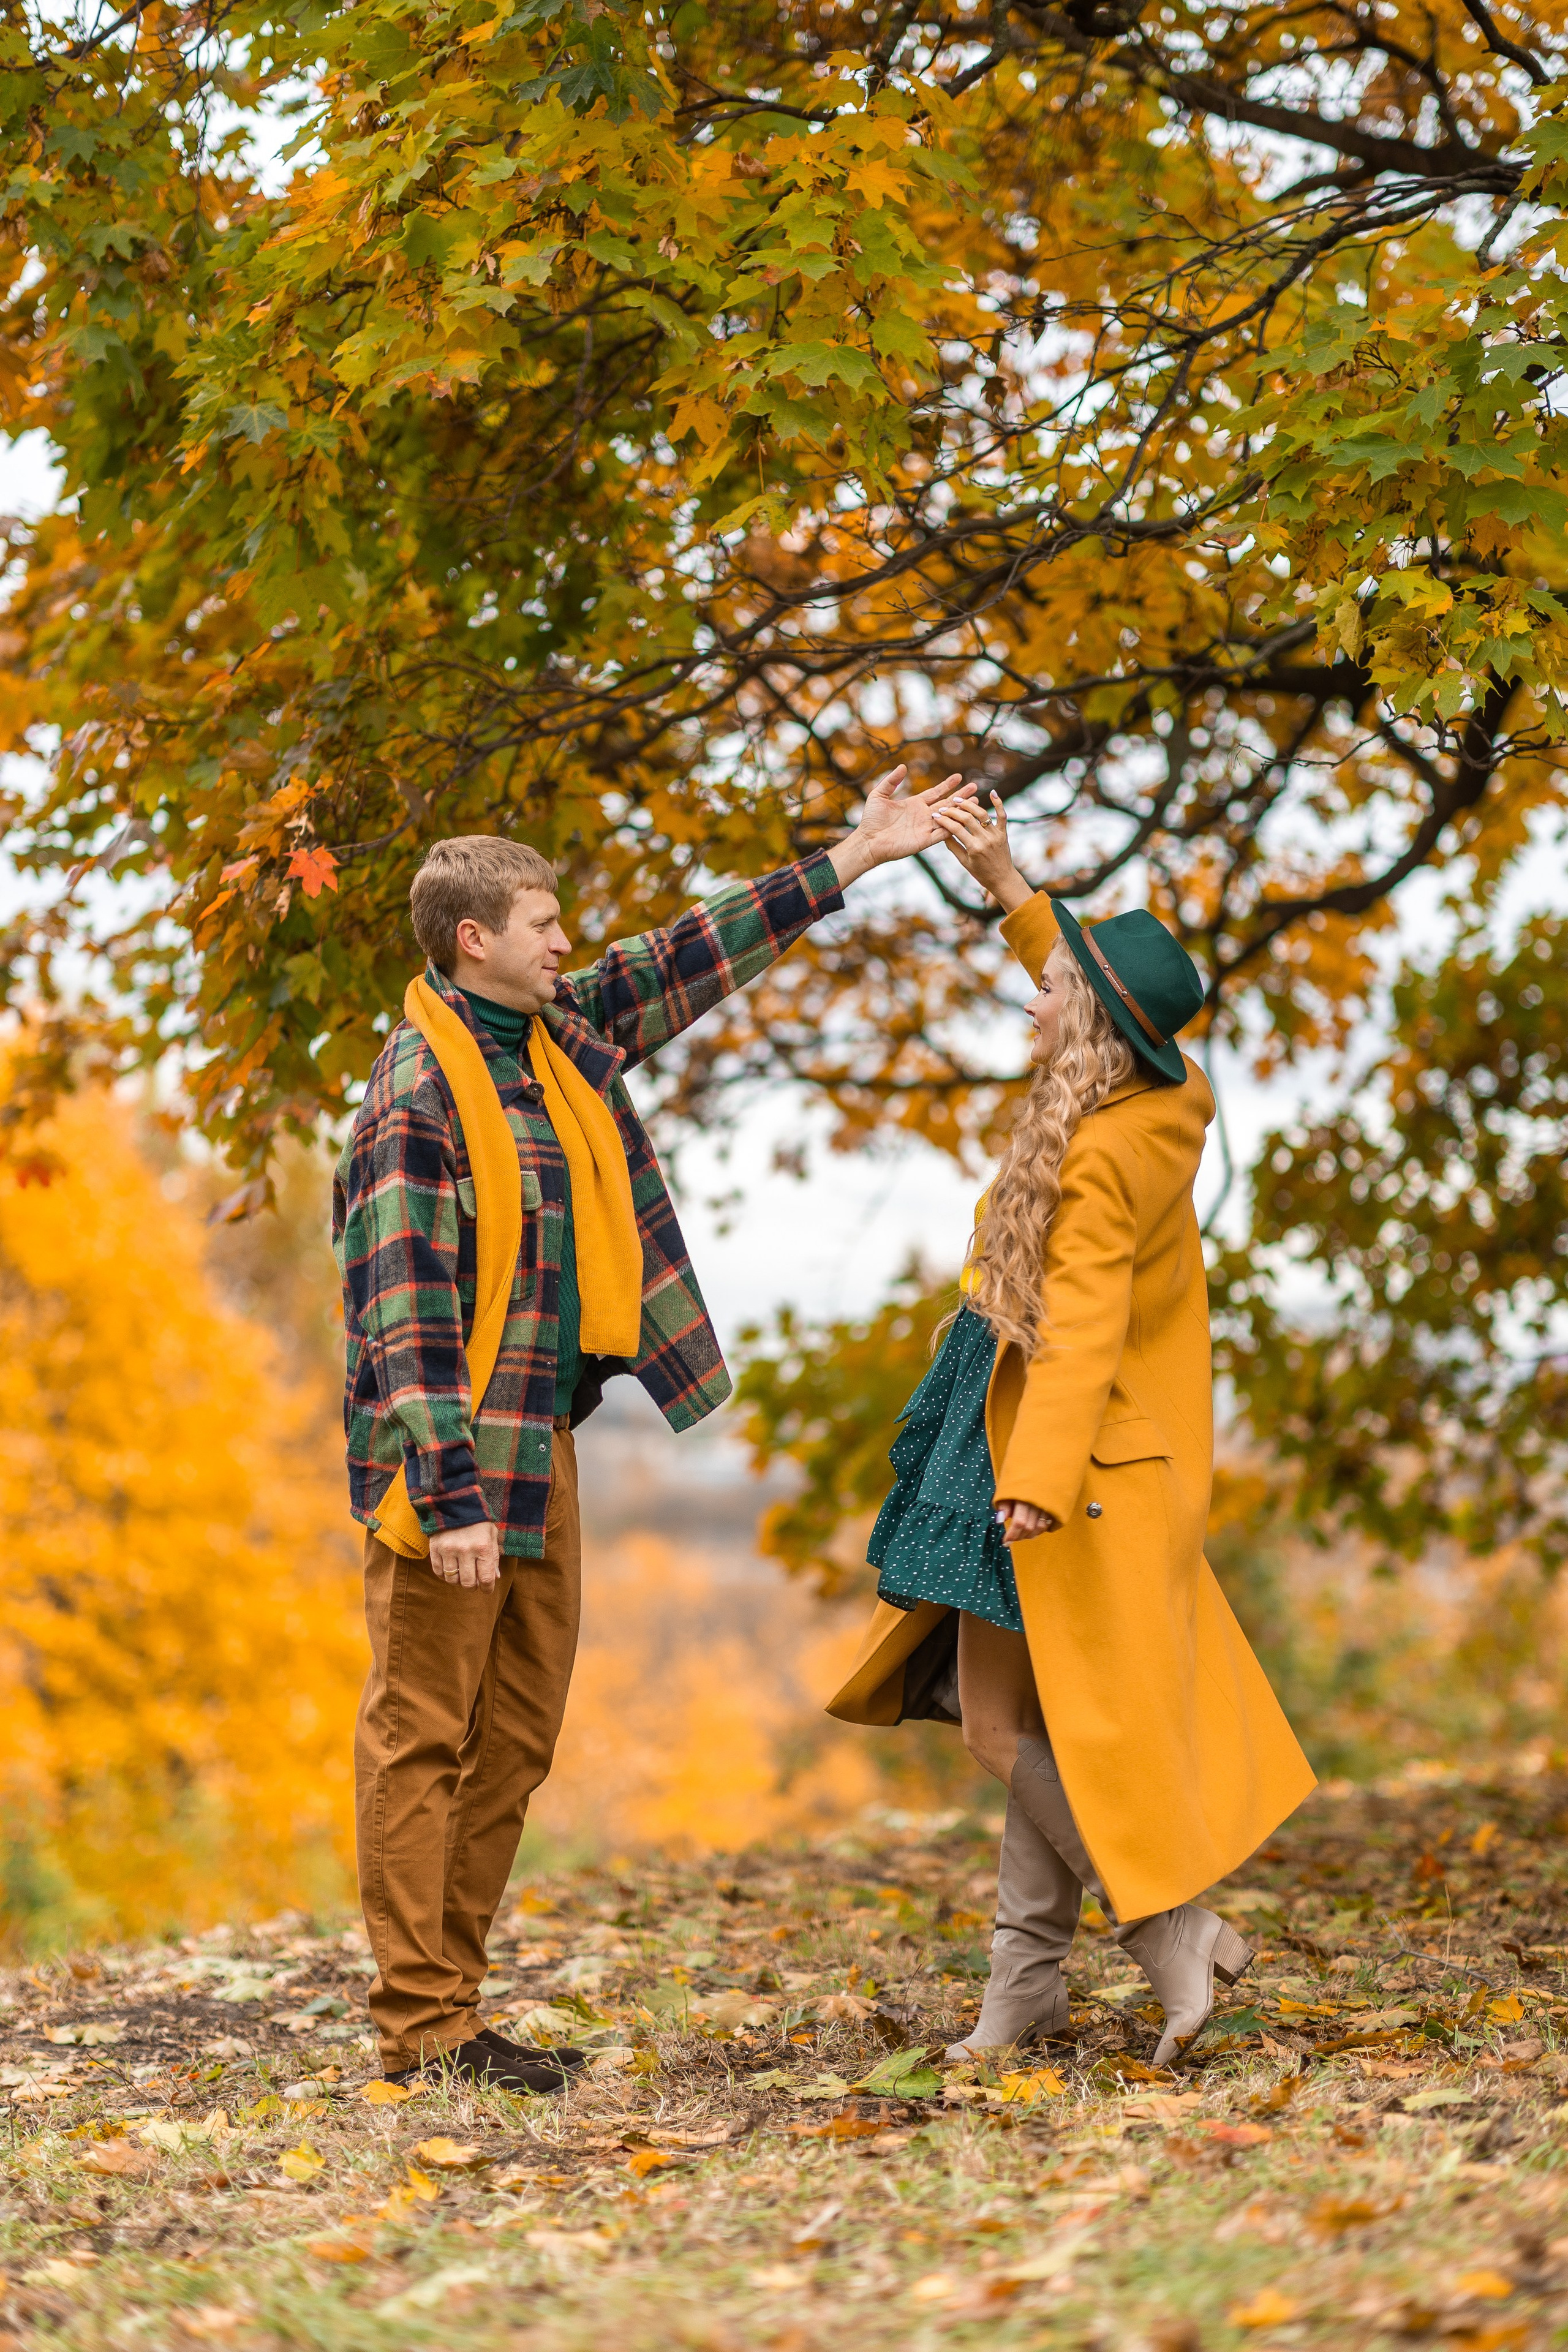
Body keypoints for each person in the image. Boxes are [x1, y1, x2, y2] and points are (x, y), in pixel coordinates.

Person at [334, 766, 969, 2089]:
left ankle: (453, 2007)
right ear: (473, 939)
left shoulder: (555, 1031)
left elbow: (688, 955)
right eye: (543, 921)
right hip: (453, 1463)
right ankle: (419, 2028)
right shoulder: (419, 1093)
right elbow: (403, 1313)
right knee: (421, 1732)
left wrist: (855, 855)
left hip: (540, 1443)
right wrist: (447, 1499)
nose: (567, 941)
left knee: (515, 1736)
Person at [826, 794, 1315, 2068]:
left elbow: (1084, 1327)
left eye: (1047, 991)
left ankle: (1169, 1929)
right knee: (1036, 1730)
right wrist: (1004, 882)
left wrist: (1032, 1483)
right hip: (1037, 1447)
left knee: (999, 1732)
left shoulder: (1099, 1156)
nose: (1028, 1001)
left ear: (1087, 1025)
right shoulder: (1160, 1092)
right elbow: (1101, 977)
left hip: (1053, 1462)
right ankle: (1021, 1998)